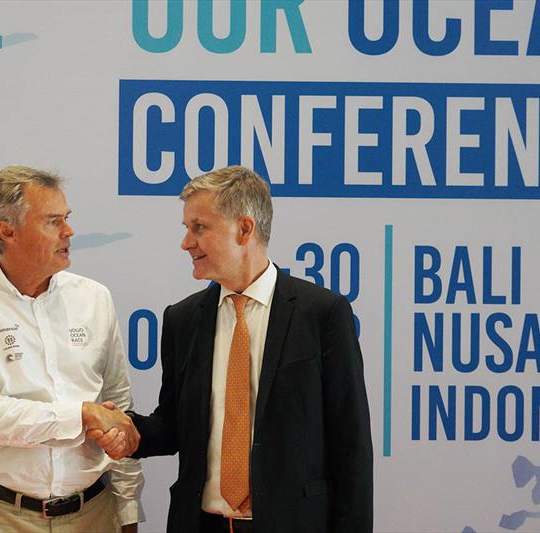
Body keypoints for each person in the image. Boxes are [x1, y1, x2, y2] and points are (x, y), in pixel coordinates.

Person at [93, 166, 372, 532]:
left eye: (199, 228)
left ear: (244, 228)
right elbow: (173, 426)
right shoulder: (184, 319)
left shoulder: (321, 314)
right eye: (186, 229)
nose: (186, 242)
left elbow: (350, 447)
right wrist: (131, 431)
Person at [0, 165, 143, 533]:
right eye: (52, 221)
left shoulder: (94, 298)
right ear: (8, 230)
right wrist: (81, 416)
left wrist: (126, 509)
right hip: (1, 517)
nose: (69, 231)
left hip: (95, 513)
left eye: (67, 218)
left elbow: (116, 406)